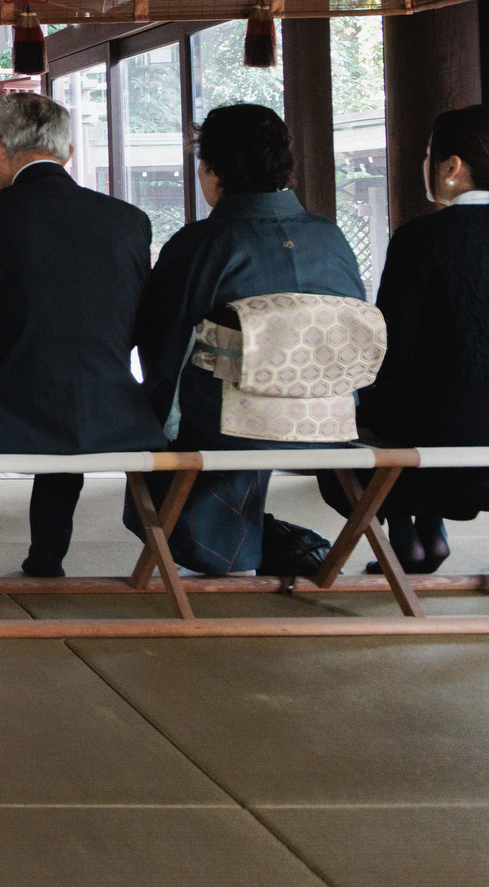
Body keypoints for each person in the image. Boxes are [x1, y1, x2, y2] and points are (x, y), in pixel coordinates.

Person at [0, 91, 164, 578]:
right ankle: (48, 557)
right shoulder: (129, 221)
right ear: (66, 151)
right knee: (66, 406)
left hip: (8, 412)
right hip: (113, 414)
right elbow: (138, 322)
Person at [133, 103, 365, 576]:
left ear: (212, 169)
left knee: (157, 429)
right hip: (330, 421)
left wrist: (150, 414)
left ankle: (238, 543)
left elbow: (161, 344)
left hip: (229, 424)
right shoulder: (330, 237)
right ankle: (263, 537)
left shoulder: (200, 244)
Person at [332, 104, 489, 572]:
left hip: (458, 420)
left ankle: (410, 536)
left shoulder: (423, 237)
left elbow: (392, 351)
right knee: (430, 403)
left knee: (362, 412)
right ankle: (428, 531)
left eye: (429, 155)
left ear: (452, 167)